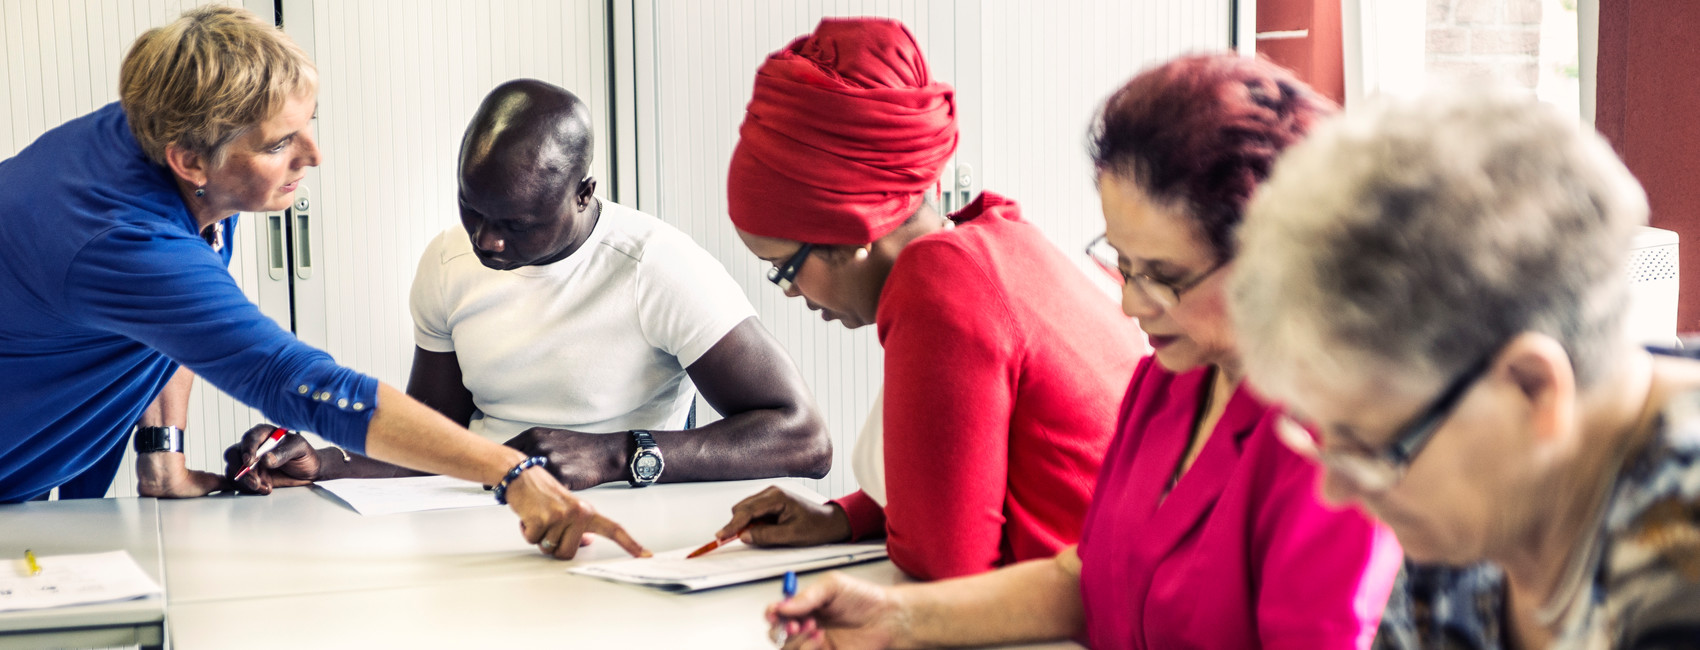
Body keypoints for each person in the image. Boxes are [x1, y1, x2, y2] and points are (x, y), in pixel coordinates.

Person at [760, 53, 1403, 650]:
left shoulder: (1330, 445)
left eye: (1165, 277)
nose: (1131, 303)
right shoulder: (1166, 385)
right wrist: (895, 618)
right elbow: (1085, 577)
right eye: (1121, 264)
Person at [0, 5, 640, 560]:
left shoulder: (174, 139)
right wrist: (511, 470)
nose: (313, 154)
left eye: (310, 121)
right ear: (190, 160)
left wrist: (161, 460)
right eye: (281, 143)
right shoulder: (120, 235)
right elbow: (297, 382)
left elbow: (173, 322)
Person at [1230, 87, 1700, 647]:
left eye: (1371, 448)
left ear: (1533, 388)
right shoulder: (1481, 510)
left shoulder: (1681, 564)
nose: (1334, 491)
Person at [224, 79, 831, 490]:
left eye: (515, 223)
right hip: (478, 503)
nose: (487, 240)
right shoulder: (447, 262)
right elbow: (437, 431)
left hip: (620, 516)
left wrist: (616, 453)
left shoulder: (658, 266)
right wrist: (323, 463)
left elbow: (804, 437)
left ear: (583, 194)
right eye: (472, 210)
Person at [711, 17, 1143, 581]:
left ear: (850, 232)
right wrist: (842, 517)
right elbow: (976, 471)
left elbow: (945, 560)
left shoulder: (938, 283)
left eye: (783, 267)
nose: (790, 291)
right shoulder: (996, 236)